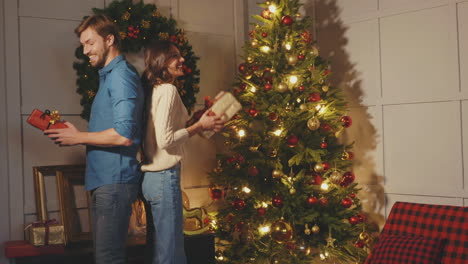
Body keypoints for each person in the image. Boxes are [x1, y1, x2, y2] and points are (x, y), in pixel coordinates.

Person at [45, 15, 144, 264]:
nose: (85, 50)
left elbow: (123, 135)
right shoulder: (108, 76)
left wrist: (78, 137)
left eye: (90, 43)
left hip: (115, 182)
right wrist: (74, 133)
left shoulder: (121, 76)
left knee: (108, 258)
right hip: (105, 181)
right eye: (82, 45)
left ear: (109, 39)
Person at [140, 40, 224, 264]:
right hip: (164, 178)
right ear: (162, 62)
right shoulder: (168, 90)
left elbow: (167, 132)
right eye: (175, 56)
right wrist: (200, 127)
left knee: (164, 252)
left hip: (152, 180)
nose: (182, 59)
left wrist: (198, 119)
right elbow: (166, 139)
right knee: (172, 254)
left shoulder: (153, 90)